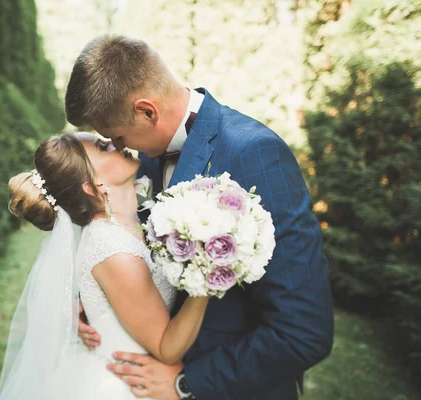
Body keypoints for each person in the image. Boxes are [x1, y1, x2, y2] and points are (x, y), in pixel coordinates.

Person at [66, 35, 334, 400]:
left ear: (147, 111)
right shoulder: (140, 162)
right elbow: (124, 247)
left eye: (117, 136)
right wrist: (94, 303)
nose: (119, 149)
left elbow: (304, 330)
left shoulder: (254, 153)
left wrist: (188, 384)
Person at [0, 132, 210, 400]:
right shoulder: (114, 247)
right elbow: (167, 347)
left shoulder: (124, 221)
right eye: (103, 146)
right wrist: (209, 272)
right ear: (92, 184)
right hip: (129, 387)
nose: (117, 144)